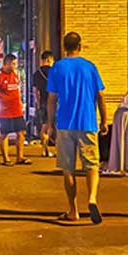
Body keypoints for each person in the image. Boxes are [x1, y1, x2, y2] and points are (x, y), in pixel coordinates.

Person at [45, 31, 108, 224]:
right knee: (92, 166)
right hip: (88, 122)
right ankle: (92, 198)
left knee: (68, 169)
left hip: (65, 123)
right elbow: (101, 96)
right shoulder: (90, 67)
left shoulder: (57, 67)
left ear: (64, 47)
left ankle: (73, 210)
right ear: (80, 46)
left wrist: (50, 124)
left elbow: (51, 99)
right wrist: (104, 120)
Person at [0, 53, 30, 166]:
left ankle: (20, 157)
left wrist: (21, 103)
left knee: (21, 133)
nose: (15, 66)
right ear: (6, 64)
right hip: (4, 111)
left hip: (16, 109)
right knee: (4, 134)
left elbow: (18, 89)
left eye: (16, 63)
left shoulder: (16, 74)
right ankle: (6, 158)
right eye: (13, 63)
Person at [31, 50, 55, 157]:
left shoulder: (36, 74)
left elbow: (35, 91)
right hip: (54, 102)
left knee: (44, 126)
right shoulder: (54, 71)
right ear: (49, 60)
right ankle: (51, 148)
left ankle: (44, 149)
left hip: (43, 103)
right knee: (53, 126)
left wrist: (38, 103)